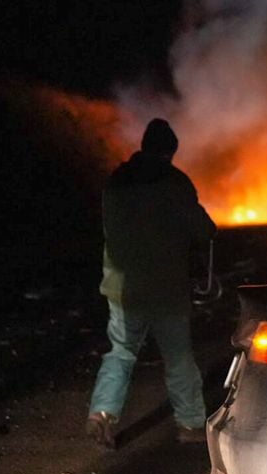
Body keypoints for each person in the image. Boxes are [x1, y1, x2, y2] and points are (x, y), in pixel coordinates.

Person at [85, 118, 215, 449]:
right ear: (170, 151)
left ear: (143, 146)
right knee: (178, 358)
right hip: (166, 290)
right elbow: (203, 230)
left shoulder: (116, 181)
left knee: (121, 351)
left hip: (122, 288)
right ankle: (189, 424)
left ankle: (101, 412)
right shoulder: (175, 183)